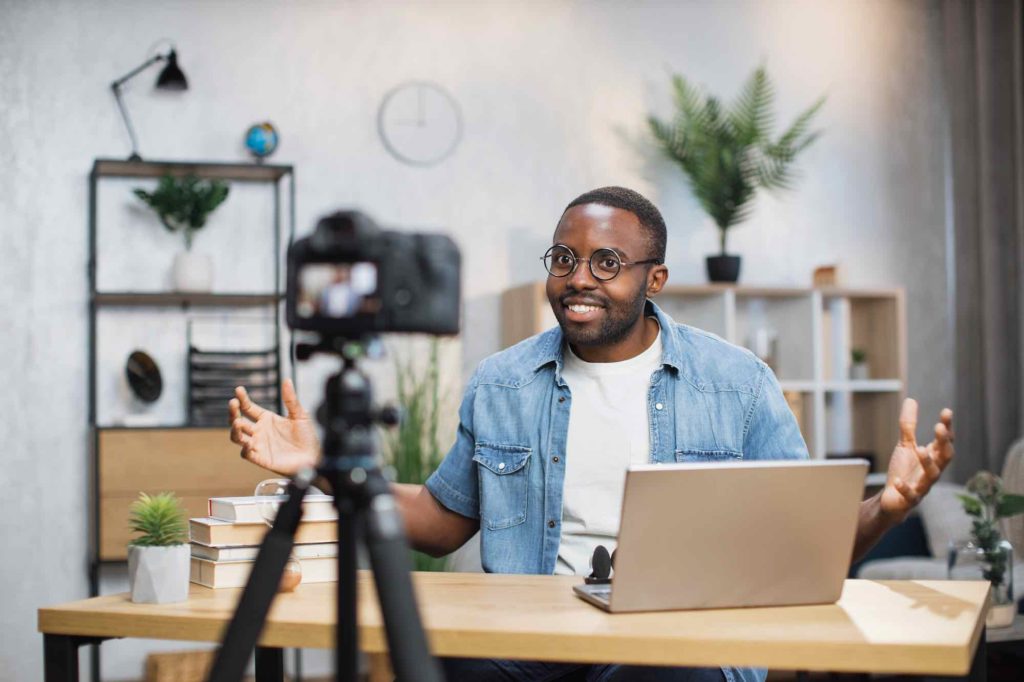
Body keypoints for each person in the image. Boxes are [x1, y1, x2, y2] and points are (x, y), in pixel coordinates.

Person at [229, 187, 955, 682]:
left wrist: (888, 508)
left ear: (655, 277)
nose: (579, 279)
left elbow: (807, 550)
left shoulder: (738, 383)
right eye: (565, 259)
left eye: (607, 262)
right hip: (530, 647)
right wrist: (325, 463)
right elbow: (447, 524)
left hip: (680, 647)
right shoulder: (502, 381)